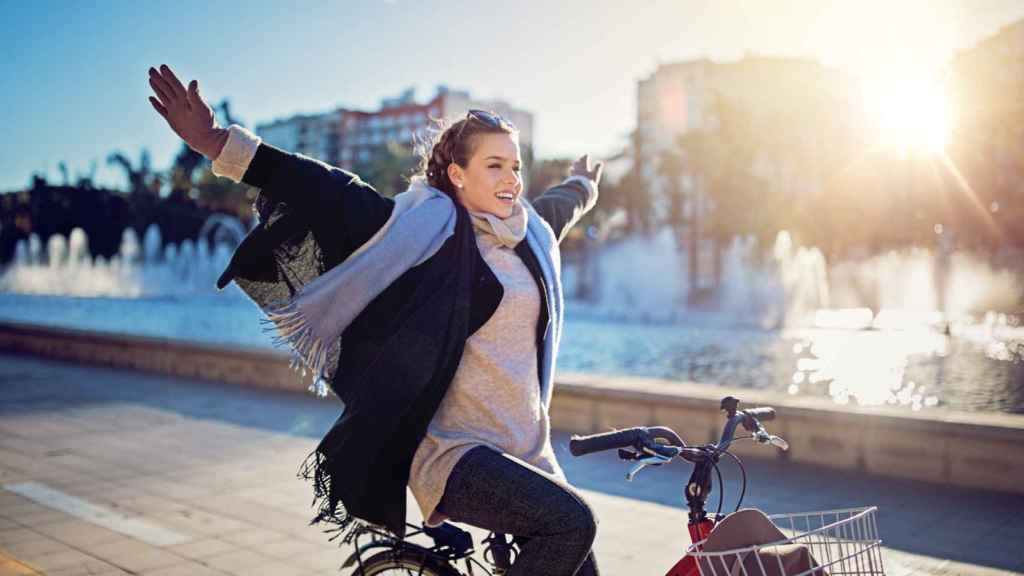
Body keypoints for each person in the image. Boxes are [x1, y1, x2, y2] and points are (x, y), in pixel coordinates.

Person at [148, 63, 603, 575]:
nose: (511, 179)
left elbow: (558, 206)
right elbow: (325, 188)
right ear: (458, 174)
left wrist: (582, 184)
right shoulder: (425, 232)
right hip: (453, 452)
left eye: (516, 166)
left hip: (526, 453)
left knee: (579, 559)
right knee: (572, 524)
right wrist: (214, 141)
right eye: (494, 166)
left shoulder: (531, 237)